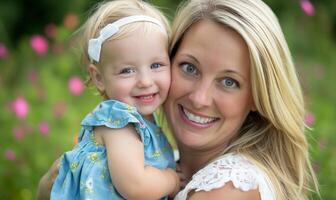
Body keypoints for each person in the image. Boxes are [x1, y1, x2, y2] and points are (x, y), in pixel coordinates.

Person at [38, 0, 319, 199]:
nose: (199, 98)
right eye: (189, 67)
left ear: (258, 96)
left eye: (230, 82)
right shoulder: (162, 162)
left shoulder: (226, 190)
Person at [48, 0, 180, 199]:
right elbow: (136, 186)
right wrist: (172, 179)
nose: (145, 81)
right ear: (99, 78)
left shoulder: (143, 119)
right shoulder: (118, 122)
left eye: (156, 65)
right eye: (127, 70)